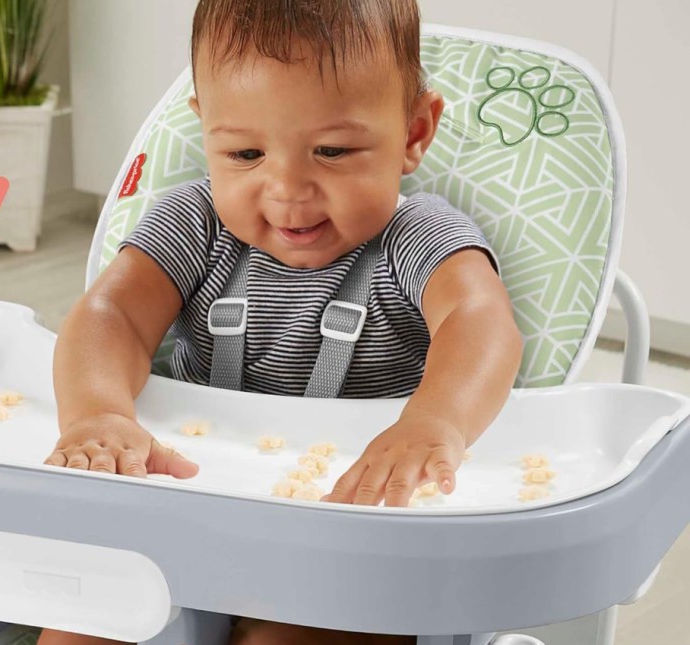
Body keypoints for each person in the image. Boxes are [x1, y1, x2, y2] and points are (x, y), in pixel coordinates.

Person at [39, 1, 522, 643]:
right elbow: (112, 315)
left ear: (413, 133)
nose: (288, 189)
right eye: (244, 153)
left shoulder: (419, 238)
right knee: (83, 628)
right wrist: (98, 412)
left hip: (346, 544)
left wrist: (435, 420)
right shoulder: (194, 223)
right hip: (182, 523)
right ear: (204, 129)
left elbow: (480, 318)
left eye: (332, 150)